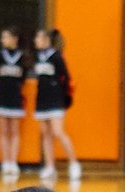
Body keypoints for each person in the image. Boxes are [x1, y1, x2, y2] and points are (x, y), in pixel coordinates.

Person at [33, 29, 80, 181]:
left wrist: (65, 98)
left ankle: (74, 164)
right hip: (41, 99)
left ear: (46, 40)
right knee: (45, 134)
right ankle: (49, 167)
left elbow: (67, 78)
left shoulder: (57, 57)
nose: (36, 40)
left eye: (38, 37)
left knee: (58, 132)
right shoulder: (38, 57)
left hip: (55, 100)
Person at [0, 26, 27, 178]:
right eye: (2, 37)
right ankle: (5, 162)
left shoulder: (22, 56)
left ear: (14, 38)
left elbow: (23, 78)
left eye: (6, 37)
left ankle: (13, 162)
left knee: (15, 131)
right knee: (3, 131)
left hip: (16, 96)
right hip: (0, 96)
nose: (3, 40)